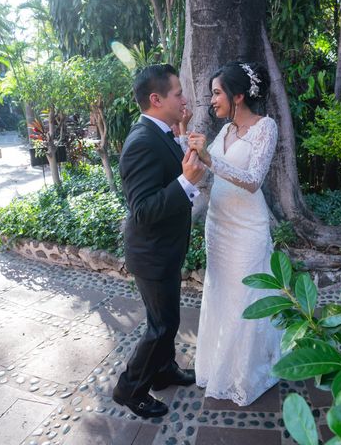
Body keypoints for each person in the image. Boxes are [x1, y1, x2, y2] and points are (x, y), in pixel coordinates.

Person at [184, 61, 282, 406]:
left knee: (246, 297)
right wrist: (196, 159)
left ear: (238, 96)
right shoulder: (225, 132)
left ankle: (246, 373)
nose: (211, 100)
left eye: (216, 93)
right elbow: (217, 175)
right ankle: (217, 366)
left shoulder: (265, 127)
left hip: (247, 229)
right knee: (221, 294)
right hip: (219, 225)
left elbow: (253, 180)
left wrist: (210, 159)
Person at [113, 64, 206, 418]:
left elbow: (169, 164)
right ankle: (130, 388)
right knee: (162, 325)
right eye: (178, 93)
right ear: (156, 99)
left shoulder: (160, 132)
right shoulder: (140, 142)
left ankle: (164, 370)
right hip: (151, 254)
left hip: (164, 250)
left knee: (167, 319)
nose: (184, 99)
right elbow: (144, 209)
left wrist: (182, 130)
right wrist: (185, 183)